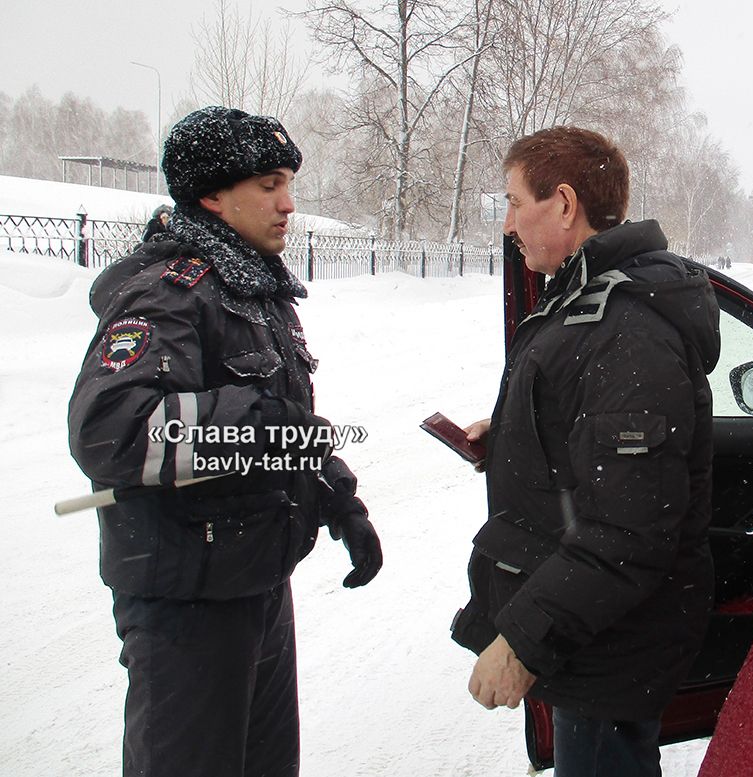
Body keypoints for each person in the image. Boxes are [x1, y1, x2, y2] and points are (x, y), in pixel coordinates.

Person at [68, 106, 383, 777]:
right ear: (213, 194)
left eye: (288, 182)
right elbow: (112, 428)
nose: (288, 203)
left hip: (255, 588)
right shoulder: (170, 293)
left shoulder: (252, 290)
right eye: (269, 184)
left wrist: (337, 497)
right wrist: (249, 424)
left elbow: (283, 423)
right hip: (187, 609)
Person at [451, 126, 720, 777]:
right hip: (595, 635)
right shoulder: (584, 297)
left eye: (516, 202)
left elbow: (629, 530)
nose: (509, 222)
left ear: (564, 204)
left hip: (610, 647)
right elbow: (595, 434)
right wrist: (521, 429)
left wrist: (521, 641)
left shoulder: (624, 325)